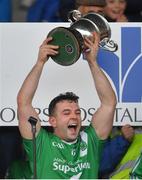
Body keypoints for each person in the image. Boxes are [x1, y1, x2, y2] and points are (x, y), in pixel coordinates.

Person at [17, 32, 117, 179]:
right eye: (66, 112)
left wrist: (93, 63)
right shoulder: (41, 143)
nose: (74, 116)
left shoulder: (90, 141)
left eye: (77, 112)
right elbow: (23, 102)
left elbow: (109, 103)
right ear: (53, 121)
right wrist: (40, 63)